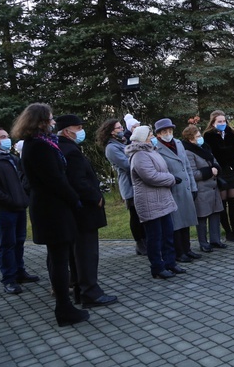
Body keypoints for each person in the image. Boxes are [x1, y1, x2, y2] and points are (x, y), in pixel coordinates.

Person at [12, 103, 88, 327]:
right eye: (51, 119)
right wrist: (75, 199)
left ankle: (67, 305)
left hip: (52, 207)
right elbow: (55, 179)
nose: (54, 122)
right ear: (41, 121)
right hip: (51, 209)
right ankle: (64, 309)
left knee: (60, 257)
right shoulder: (38, 146)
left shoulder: (38, 144)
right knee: (59, 259)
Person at [56, 114, 117, 309]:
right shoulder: (70, 151)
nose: (81, 131)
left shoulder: (64, 148)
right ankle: (90, 292)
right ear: (67, 131)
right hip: (85, 211)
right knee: (87, 253)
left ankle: (81, 291)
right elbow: (77, 181)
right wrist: (95, 197)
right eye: (78, 127)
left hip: (76, 211)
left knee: (79, 253)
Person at [0, 127, 38, 295]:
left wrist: (24, 198)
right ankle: (9, 279)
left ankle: (20, 272)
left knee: (19, 241)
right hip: (4, 211)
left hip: (19, 208)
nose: (7, 139)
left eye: (7, 136)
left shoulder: (12, 159)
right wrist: (10, 201)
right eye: (2, 137)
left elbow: (23, 179)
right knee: (7, 244)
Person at [126, 126, 184, 279]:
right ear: (143, 137)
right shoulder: (139, 155)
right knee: (155, 237)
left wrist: (168, 177)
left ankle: (170, 263)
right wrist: (171, 179)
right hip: (149, 201)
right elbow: (150, 176)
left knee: (167, 234)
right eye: (150, 134)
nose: (152, 136)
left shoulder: (152, 150)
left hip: (162, 198)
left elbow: (161, 170)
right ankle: (157, 267)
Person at [153, 118, 200, 263]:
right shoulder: (157, 148)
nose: (168, 133)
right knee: (176, 223)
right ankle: (179, 252)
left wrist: (193, 186)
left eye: (170, 131)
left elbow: (187, 167)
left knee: (186, 220)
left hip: (185, 187)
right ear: (159, 134)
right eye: (164, 131)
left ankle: (187, 249)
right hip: (171, 189)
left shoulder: (178, 143)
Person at [99, 118, 147, 256]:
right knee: (135, 215)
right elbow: (127, 165)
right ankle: (140, 243)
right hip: (130, 185)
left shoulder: (123, 142)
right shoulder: (111, 148)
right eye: (119, 128)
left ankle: (146, 240)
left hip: (138, 183)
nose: (122, 130)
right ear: (111, 132)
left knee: (142, 214)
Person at [182, 125, 225, 253]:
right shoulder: (188, 152)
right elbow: (193, 173)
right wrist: (210, 171)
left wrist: (216, 167)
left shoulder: (205, 147)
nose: (201, 138)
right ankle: (203, 243)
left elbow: (214, 160)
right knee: (202, 217)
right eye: (198, 136)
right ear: (191, 139)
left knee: (215, 214)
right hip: (201, 190)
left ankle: (216, 240)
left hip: (213, 187)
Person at [202, 110, 234, 241]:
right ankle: (228, 231)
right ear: (213, 123)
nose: (222, 123)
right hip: (220, 171)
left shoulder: (232, 133)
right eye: (219, 121)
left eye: (224, 121)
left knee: (233, 201)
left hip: (231, 170)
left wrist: (228, 154)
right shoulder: (208, 136)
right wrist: (226, 154)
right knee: (222, 202)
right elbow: (213, 154)